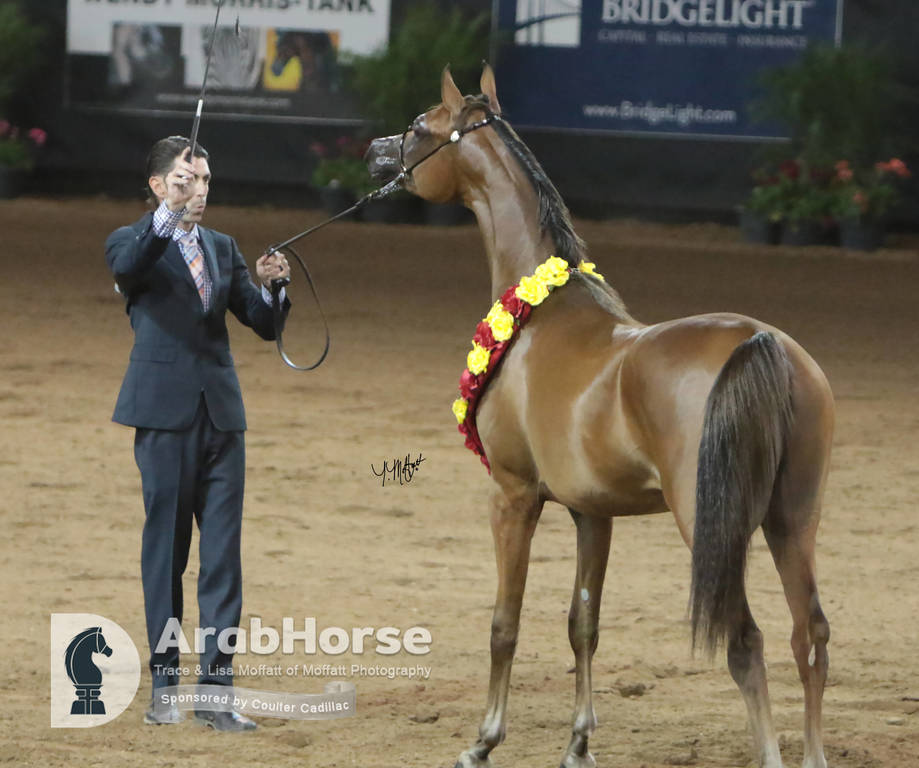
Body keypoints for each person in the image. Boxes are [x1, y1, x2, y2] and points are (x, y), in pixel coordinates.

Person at [105, 135, 291, 731]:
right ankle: (165, 687)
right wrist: (168, 214)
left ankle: (216, 694)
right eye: (187, 180)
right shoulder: (131, 241)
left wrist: (274, 288)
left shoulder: (222, 246)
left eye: (206, 180)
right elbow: (129, 268)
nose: (200, 190)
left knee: (223, 560)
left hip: (222, 419)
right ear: (159, 185)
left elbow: (261, 323)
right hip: (163, 417)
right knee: (166, 555)